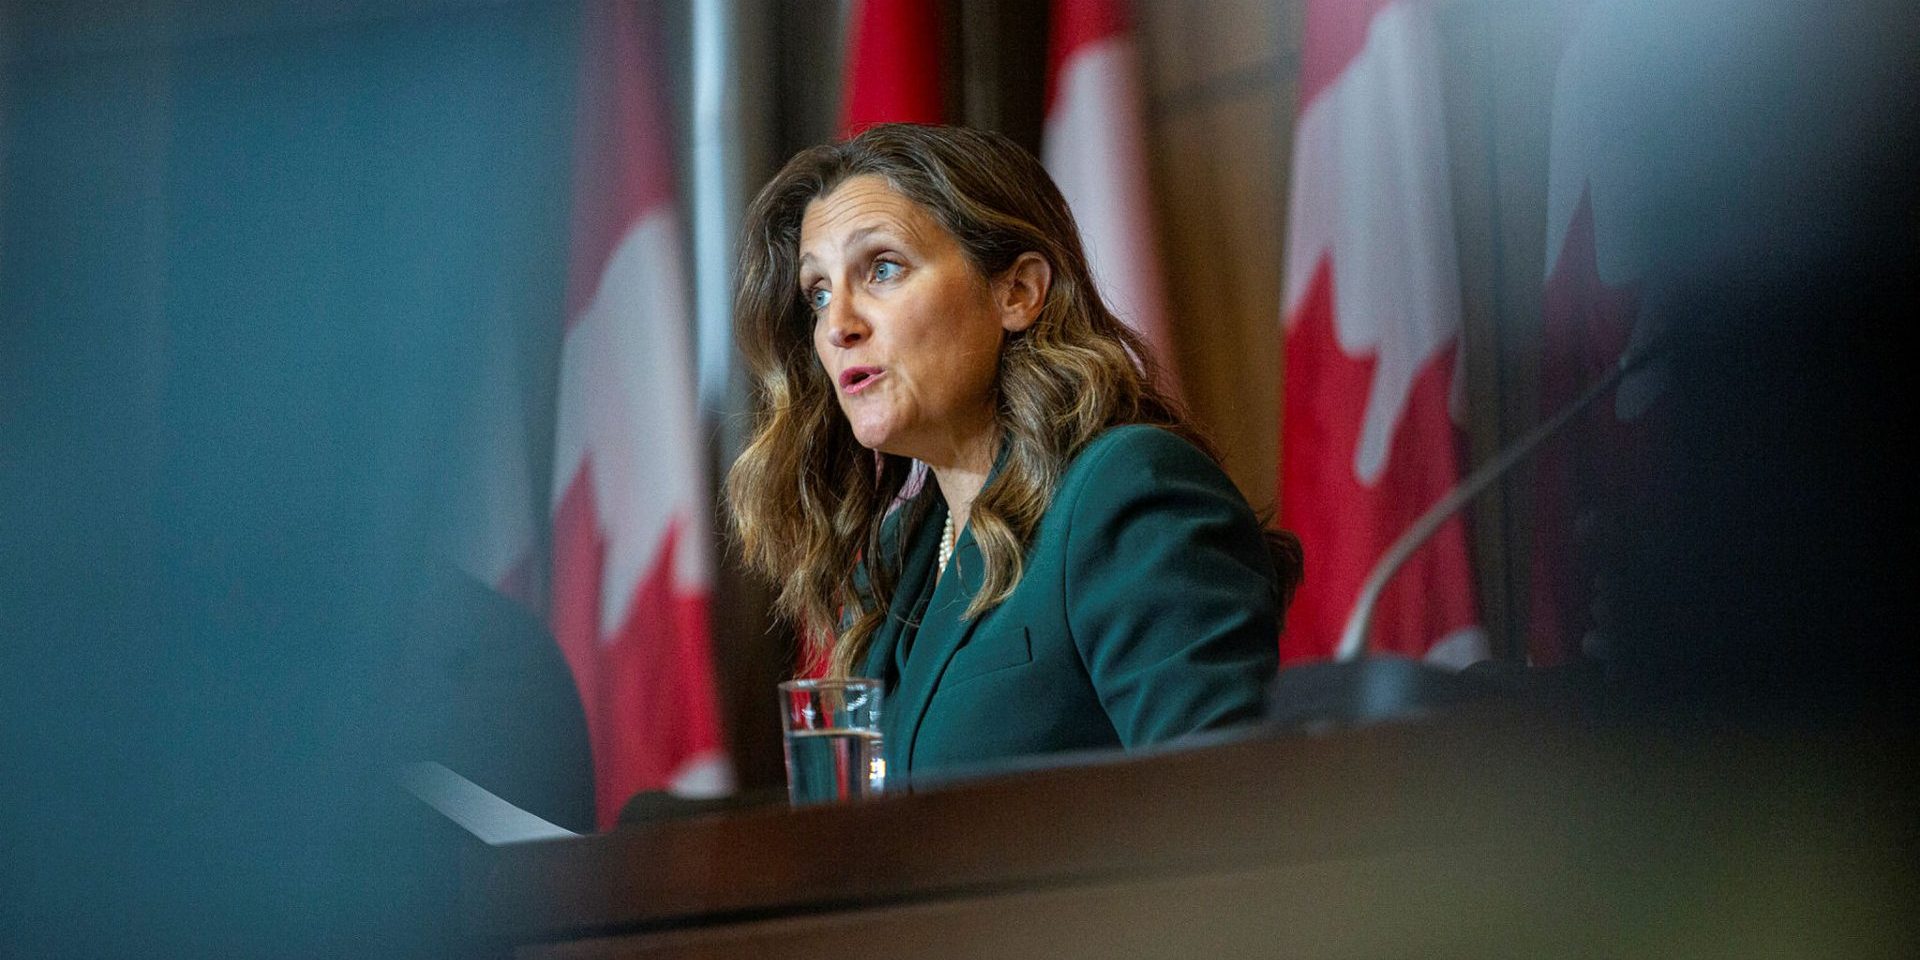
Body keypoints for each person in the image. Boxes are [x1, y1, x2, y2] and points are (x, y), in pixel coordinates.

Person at [727, 123, 1293, 785]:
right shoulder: (898, 558)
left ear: (1017, 292)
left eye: (881, 268)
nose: (838, 324)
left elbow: (1229, 806)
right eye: (818, 293)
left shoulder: (1127, 489)